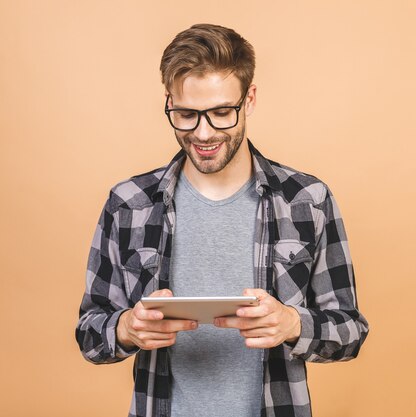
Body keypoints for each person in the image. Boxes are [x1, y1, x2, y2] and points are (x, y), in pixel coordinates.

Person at [75, 23, 369, 417]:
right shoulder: (128, 204)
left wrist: (292, 324)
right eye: (186, 114)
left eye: (220, 113)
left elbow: (350, 331)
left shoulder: (307, 200)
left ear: (249, 99)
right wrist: (127, 328)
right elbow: (90, 335)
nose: (204, 132)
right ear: (168, 101)